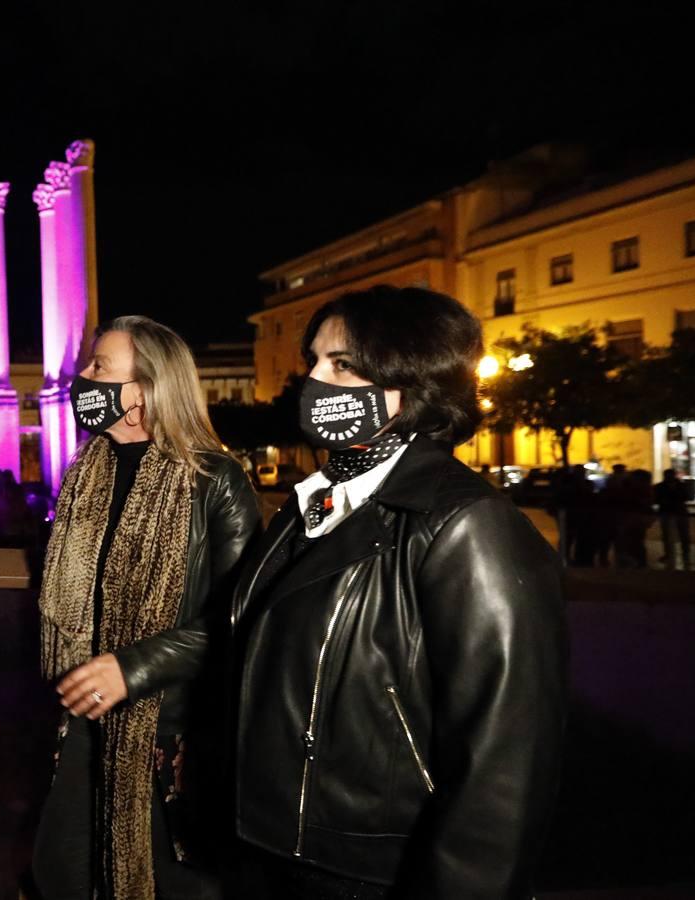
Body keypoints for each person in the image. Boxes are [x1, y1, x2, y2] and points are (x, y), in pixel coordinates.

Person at [228, 286, 567, 899]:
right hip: (269, 848)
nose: (312, 379)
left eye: (341, 364)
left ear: (414, 383)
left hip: (372, 871)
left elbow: (505, 757)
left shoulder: (466, 524)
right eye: (313, 360)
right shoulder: (307, 504)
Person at [32, 316, 260, 900]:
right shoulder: (87, 471)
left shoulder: (215, 481)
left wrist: (132, 667)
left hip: (166, 732)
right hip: (83, 716)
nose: (81, 377)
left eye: (99, 368)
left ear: (145, 391)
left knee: (161, 881)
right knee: (61, 871)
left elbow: (240, 621)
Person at [655, 469, 692, 570]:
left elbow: (686, 496)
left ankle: (683, 553)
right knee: (672, 535)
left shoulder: (678, 485)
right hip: (672, 512)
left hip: (673, 512)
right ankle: (678, 553)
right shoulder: (678, 485)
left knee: (681, 534)